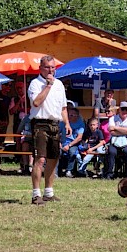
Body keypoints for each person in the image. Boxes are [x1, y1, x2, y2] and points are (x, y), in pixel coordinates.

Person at [28, 55, 72, 205]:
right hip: (40, 123)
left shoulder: (59, 84)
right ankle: (36, 194)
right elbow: (36, 102)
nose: (51, 70)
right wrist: (47, 86)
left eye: (53, 67)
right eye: (47, 67)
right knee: (40, 159)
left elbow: (63, 107)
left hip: (55, 124)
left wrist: (67, 124)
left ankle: (48, 192)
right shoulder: (34, 84)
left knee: (54, 159)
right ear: (41, 68)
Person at [105, 101, 127, 179]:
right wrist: (125, 131)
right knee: (112, 152)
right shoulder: (113, 118)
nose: (124, 111)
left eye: (126, 109)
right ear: (119, 110)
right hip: (115, 141)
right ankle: (109, 173)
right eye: (123, 109)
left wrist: (116, 128)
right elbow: (112, 132)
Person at [59, 107, 85, 178]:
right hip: (62, 143)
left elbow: (79, 137)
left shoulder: (80, 124)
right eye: (69, 115)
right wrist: (60, 145)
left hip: (73, 143)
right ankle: (57, 171)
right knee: (57, 152)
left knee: (72, 152)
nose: (69, 117)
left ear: (77, 116)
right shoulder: (62, 123)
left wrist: (69, 145)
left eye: (72, 115)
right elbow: (57, 135)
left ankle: (69, 170)